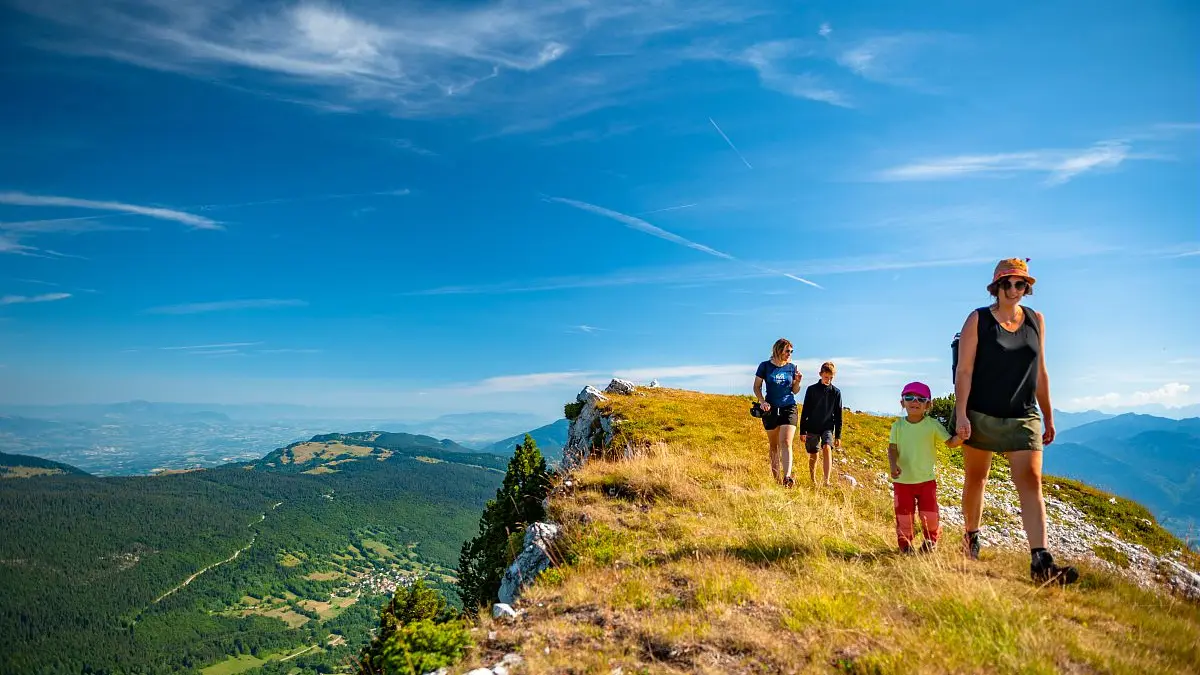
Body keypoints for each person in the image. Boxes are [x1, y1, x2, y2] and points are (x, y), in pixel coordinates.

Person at [954, 258, 1079, 585]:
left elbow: (1040, 372)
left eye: (1020, 284)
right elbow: (964, 370)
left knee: (1031, 480)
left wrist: (1048, 415)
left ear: (1027, 287)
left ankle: (1041, 560)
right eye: (1007, 283)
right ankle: (971, 536)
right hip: (981, 413)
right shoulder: (977, 319)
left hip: (1024, 415)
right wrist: (961, 412)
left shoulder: (1037, 321)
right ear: (996, 287)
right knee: (976, 477)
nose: (1013, 289)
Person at [888, 382, 961, 553]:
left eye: (921, 399)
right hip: (903, 481)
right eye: (909, 398)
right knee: (904, 516)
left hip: (927, 481)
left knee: (930, 515)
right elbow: (892, 449)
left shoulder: (932, 425)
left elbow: (950, 443)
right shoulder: (897, 426)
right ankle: (905, 545)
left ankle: (931, 541)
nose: (915, 401)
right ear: (902, 402)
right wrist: (893, 465)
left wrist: (962, 438)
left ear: (928, 405)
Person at [754, 339, 803, 487]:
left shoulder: (792, 368)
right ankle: (776, 480)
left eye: (791, 351)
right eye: (787, 351)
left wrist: (797, 382)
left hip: (789, 407)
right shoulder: (765, 366)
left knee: (786, 442)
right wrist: (762, 401)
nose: (789, 354)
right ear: (778, 350)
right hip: (770, 410)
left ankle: (787, 477)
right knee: (774, 445)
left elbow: (794, 391)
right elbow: (757, 386)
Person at [799, 361, 843, 486]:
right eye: (826, 377)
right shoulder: (811, 390)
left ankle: (826, 481)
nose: (828, 380)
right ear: (820, 374)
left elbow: (839, 415)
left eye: (831, 378)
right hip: (812, 426)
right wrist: (802, 431)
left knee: (827, 448)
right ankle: (813, 480)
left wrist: (838, 435)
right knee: (814, 454)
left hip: (827, 427)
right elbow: (805, 411)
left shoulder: (836, 392)